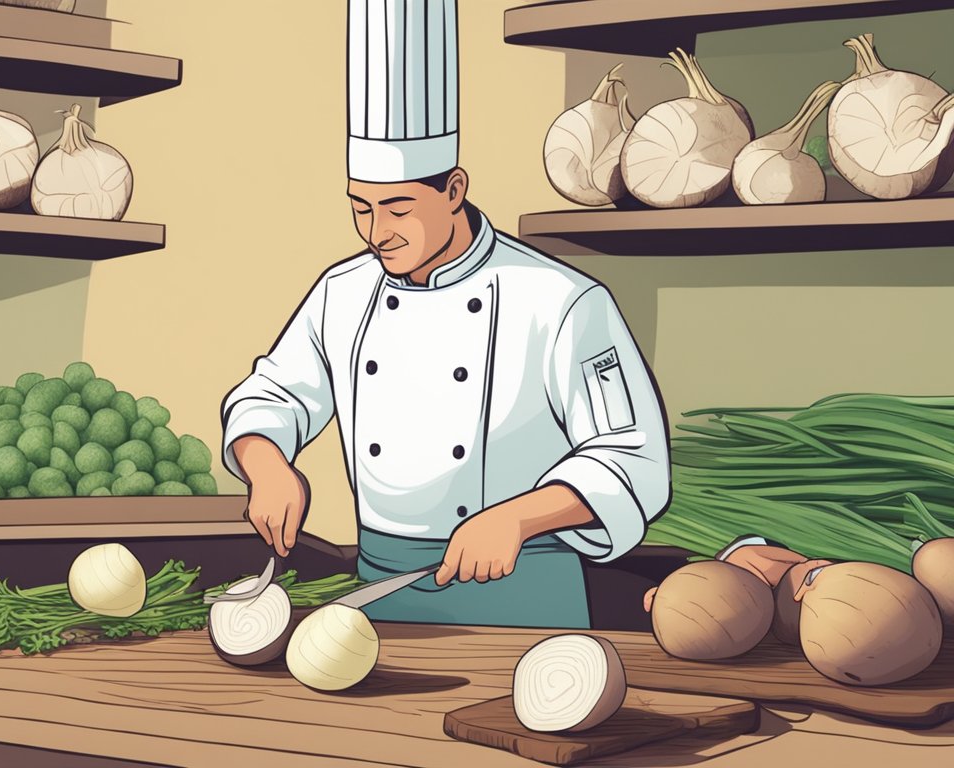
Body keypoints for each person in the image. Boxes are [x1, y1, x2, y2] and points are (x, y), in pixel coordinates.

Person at [220, 0, 671, 628]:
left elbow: (632, 459)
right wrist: (267, 464)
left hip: (523, 592)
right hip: (379, 593)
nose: (377, 233)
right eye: (360, 207)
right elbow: (271, 395)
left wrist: (517, 516)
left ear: (454, 190)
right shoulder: (342, 292)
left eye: (399, 208)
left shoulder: (562, 301)